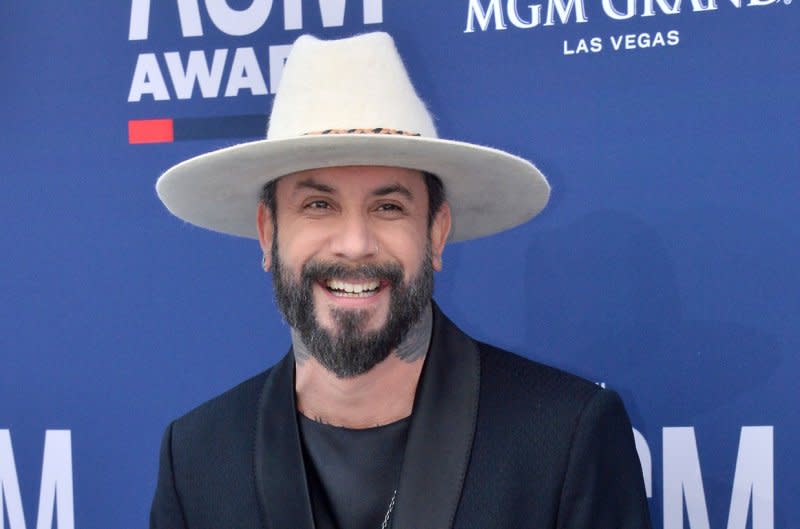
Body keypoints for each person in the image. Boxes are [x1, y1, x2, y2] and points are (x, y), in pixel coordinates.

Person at [151, 32, 651, 529]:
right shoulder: (197, 459)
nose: (354, 243)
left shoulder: (564, 438)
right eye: (318, 205)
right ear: (268, 234)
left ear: (436, 233)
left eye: (388, 207)